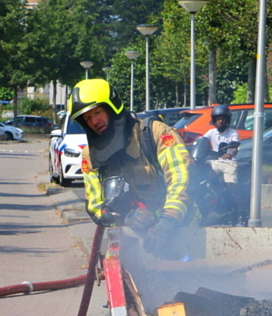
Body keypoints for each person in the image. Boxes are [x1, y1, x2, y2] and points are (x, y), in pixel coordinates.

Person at [70, 78, 194, 256]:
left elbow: (181, 177)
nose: (94, 121)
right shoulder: (90, 156)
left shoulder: (155, 133)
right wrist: (126, 217)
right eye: (88, 118)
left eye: (97, 112)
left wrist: (169, 221)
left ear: (112, 107)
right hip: (134, 238)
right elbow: (96, 205)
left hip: (183, 227)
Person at [201, 104, 240, 213]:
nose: (220, 121)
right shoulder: (211, 132)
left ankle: (238, 214)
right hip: (215, 161)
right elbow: (202, 140)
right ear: (214, 120)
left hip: (229, 163)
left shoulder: (233, 132)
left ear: (227, 120)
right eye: (218, 119)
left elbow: (235, 147)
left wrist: (230, 153)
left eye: (222, 119)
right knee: (204, 181)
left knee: (231, 187)